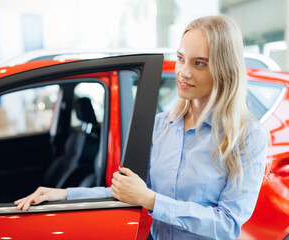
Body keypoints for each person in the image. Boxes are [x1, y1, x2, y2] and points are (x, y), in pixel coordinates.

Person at [15, 15, 268, 240]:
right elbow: (129, 190)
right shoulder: (161, 126)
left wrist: (151, 200)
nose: (183, 72)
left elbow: (227, 224)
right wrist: (63, 196)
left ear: (225, 69)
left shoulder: (248, 137)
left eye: (199, 63)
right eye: (181, 59)